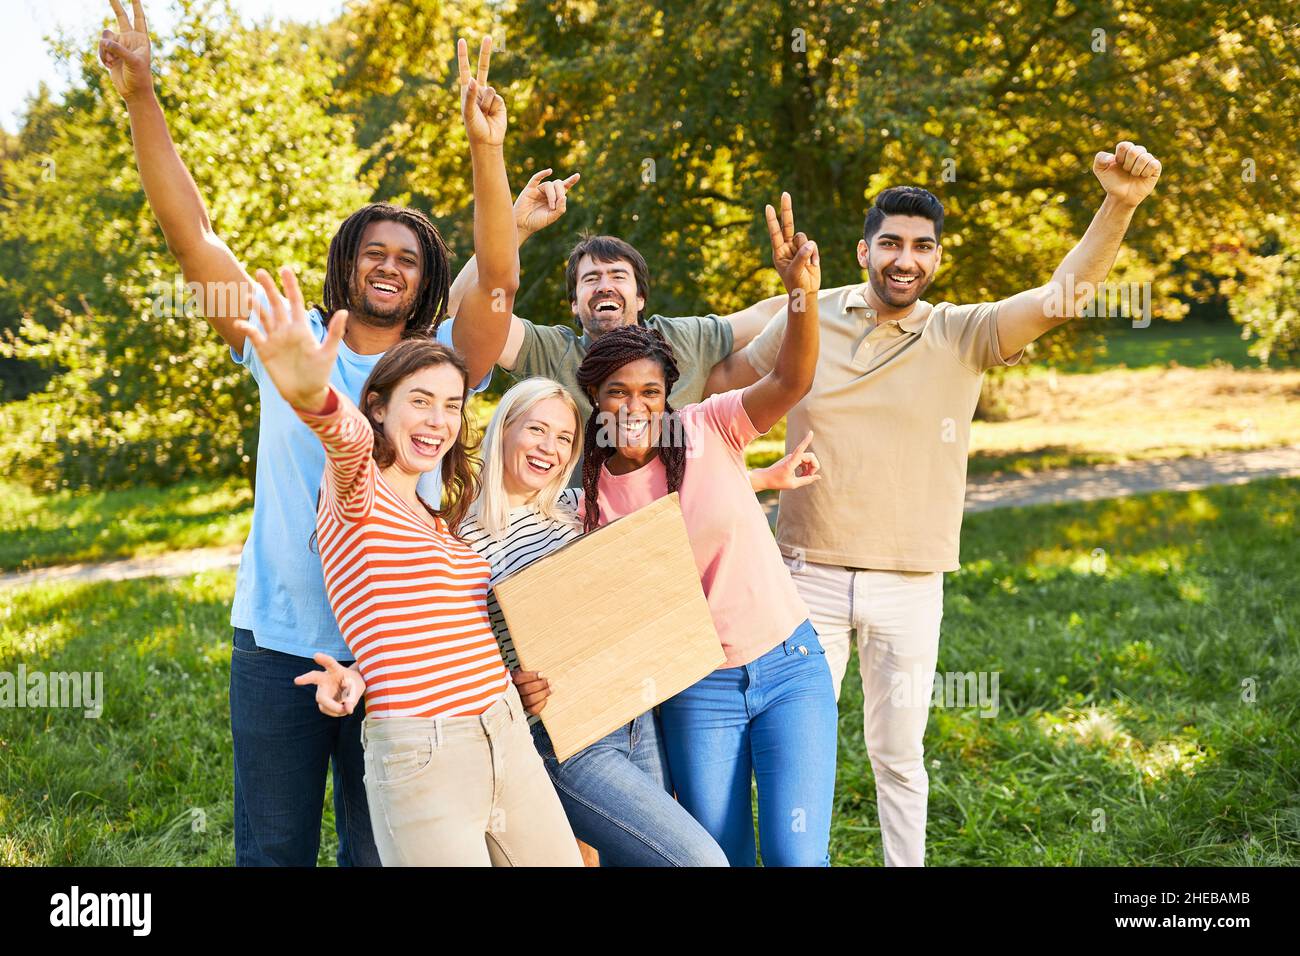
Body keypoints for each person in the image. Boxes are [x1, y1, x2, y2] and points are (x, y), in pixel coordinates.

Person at [101, 0, 518, 865]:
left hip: (402, 647)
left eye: (409, 256)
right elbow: (195, 241)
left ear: (428, 277)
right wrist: (142, 92)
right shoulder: (287, 339)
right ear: (347, 262)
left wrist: (487, 150)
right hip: (279, 639)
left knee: (388, 852)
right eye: (375, 250)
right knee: (275, 847)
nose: (390, 265)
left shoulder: (444, 361)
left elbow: (502, 281)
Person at [705, 143, 1164, 866]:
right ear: (864, 250)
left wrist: (1120, 203)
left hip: (910, 585)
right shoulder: (808, 315)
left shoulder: (963, 333)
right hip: (801, 578)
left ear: (937, 259)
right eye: (891, 242)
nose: (905, 259)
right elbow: (719, 391)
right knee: (794, 754)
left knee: (898, 756)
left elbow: (1062, 297)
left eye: (921, 246)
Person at [305, 376, 820, 867]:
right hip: (565, 740)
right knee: (697, 857)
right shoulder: (456, 536)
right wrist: (357, 675)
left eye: (564, 437)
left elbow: (670, 505)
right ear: (502, 428)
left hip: (636, 713)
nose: (548, 447)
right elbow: (428, 630)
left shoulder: (578, 509)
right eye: (535, 429)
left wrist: (761, 478)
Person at [237, 267, 581, 866]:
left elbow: (420, 626)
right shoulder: (355, 492)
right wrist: (312, 393)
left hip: (505, 732)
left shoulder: (434, 516)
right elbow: (344, 440)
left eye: (451, 406)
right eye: (419, 401)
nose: (437, 421)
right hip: (426, 754)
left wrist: (366, 674)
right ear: (377, 408)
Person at [572, 194, 838, 867]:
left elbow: (791, 377)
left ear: (670, 396)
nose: (636, 407)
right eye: (617, 393)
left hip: (788, 664)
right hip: (696, 687)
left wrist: (800, 297)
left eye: (651, 392)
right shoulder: (581, 501)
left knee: (796, 856)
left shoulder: (707, 426)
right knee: (719, 855)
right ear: (594, 401)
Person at [445, 170, 790, 483]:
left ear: (640, 298)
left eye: (618, 276)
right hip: (581, 532)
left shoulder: (681, 339)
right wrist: (516, 227)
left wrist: (821, 291)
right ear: (574, 304)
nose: (604, 286)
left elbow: (768, 314)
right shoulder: (548, 351)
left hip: (673, 525)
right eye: (591, 278)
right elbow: (463, 311)